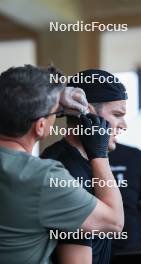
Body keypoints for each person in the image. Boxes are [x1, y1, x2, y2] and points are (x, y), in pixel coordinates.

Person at [0, 65, 124, 264]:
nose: (124, 125)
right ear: (40, 126)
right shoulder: (45, 177)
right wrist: (99, 155)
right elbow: (113, 222)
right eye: (54, 112)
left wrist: (53, 99)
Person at [41, 69, 127, 264]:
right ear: (88, 112)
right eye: (117, 114)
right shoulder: (63, 170)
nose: (124, 125)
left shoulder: (91, 163)